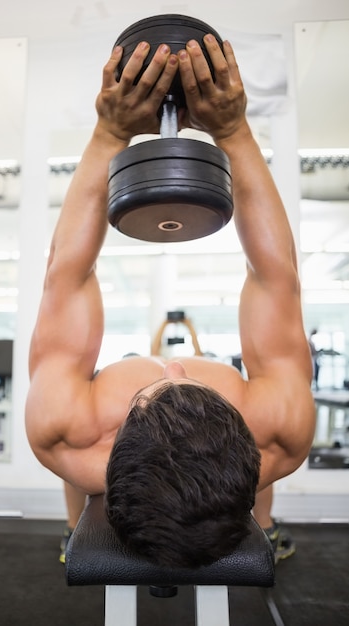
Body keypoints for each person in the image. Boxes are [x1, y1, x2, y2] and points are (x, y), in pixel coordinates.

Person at [26, 34, 315, 568]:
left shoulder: (70, 430)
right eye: (188, 381)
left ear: (116, 450)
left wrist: (109, 133)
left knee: (67, 458)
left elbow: (64, 276)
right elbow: (279, 279)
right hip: (251, 450)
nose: (178, 365)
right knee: (273, 450)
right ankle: (264, 526)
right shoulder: (276, 429)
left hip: (86, 447)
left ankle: (74, 530)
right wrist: (235, 132)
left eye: (158, 386)